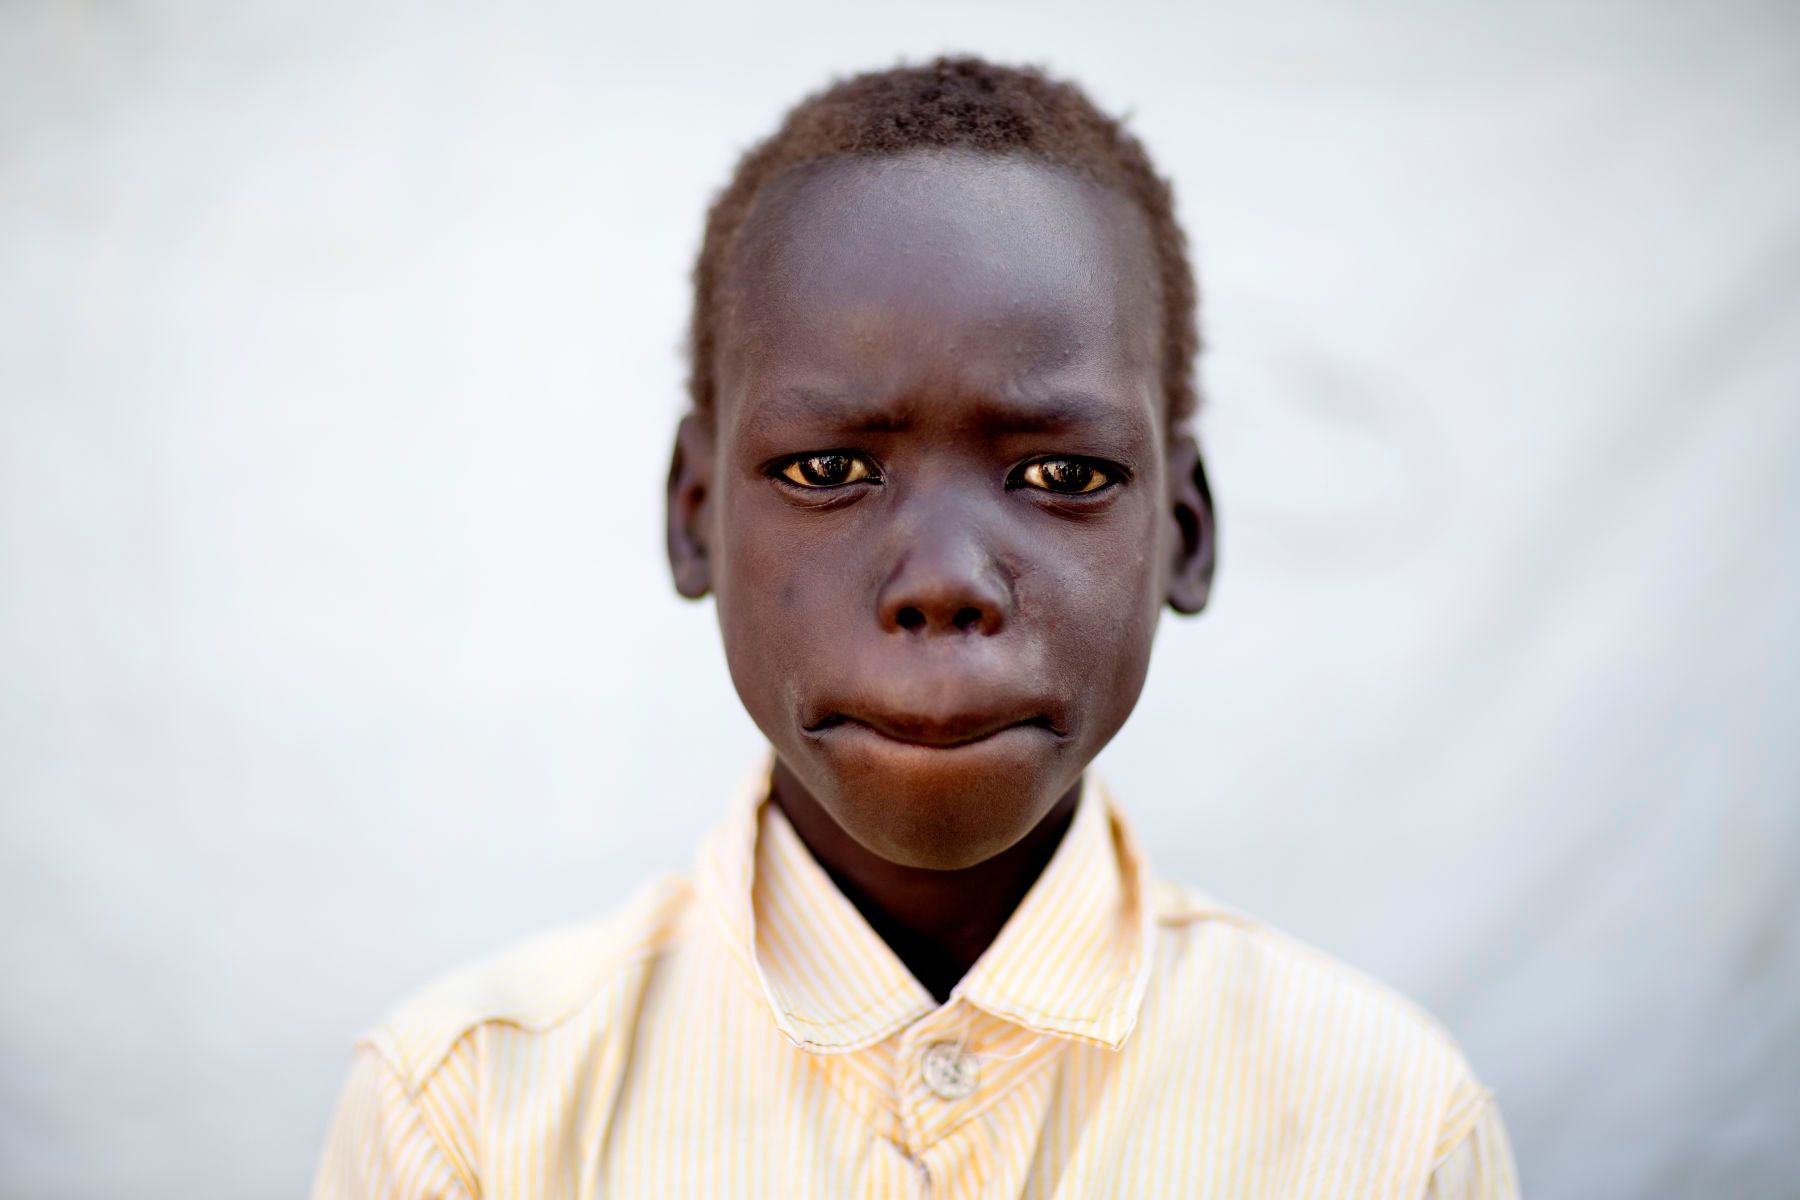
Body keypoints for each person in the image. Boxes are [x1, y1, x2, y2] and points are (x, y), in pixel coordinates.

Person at [310, 56, 1518, 1197]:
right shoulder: (470, 1114)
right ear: (692, 519)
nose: (943, 584)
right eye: (828, 466)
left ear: (1187, 531)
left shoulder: (1387, 1124)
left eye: (1063, 477)